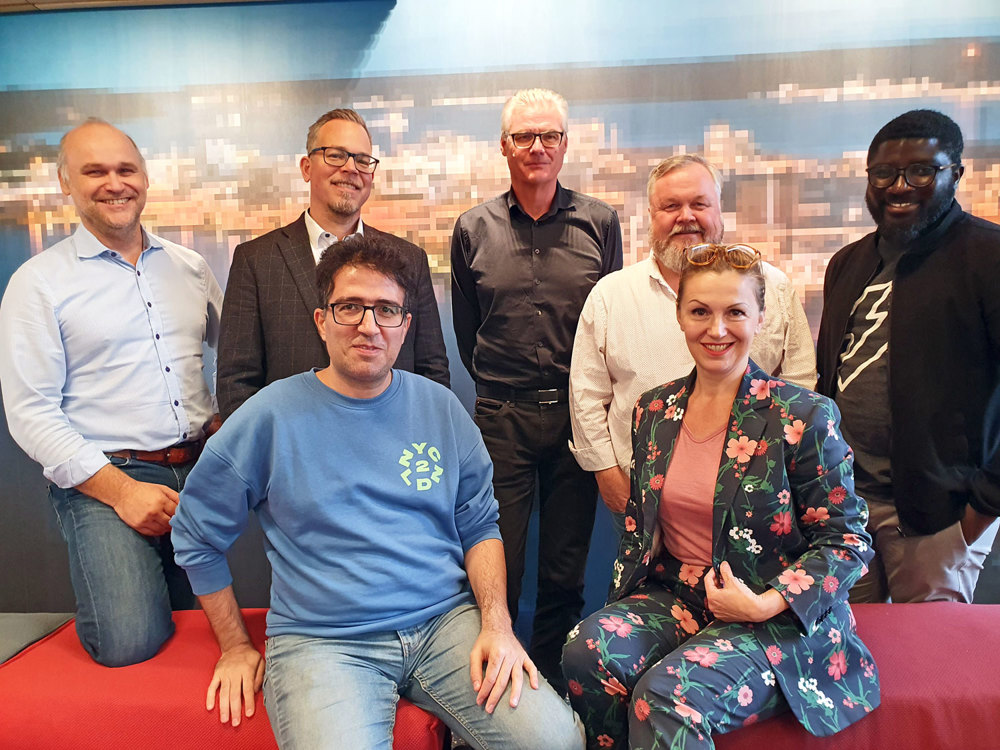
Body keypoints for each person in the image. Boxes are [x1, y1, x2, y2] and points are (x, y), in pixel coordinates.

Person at [171, 234, 583, 749]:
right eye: (350, 307)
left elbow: (480, 528)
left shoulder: (442, 410)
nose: (368, 325)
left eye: (386, 309)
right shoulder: (268, 417)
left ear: (405, 325)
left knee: (554, 740)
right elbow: (195, 535)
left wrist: (497, 625)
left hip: (443, 624)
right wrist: (234, 645)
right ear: (322, 320)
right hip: (324, 641)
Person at [562, 243, 879, 749]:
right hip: (679, 595)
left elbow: (847, 541)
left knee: (664, 696)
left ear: (760, 316)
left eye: (734, 312)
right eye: (700, 312)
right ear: (680, 316)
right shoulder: (654, 411)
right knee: (585, 650)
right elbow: (639, 528)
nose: (717, 329)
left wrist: (764, 604)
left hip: (772, 614)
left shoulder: (802, 415)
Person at [0, 119, 222, 666]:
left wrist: (224, 417)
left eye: (126, 169)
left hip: (199, 472)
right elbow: (31, 413)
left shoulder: (190, 268)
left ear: (145, 178)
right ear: (65, 184)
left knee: (202, 632)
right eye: (93, 171)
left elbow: (241, 355)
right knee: (128, 642)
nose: (113, 183)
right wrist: (124, 493)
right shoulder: (38, 282)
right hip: (108, 476)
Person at [451, 88, 623, 688]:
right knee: (502, 567)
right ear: (504, 146)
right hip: (501, 420)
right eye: (523, 136)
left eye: (548, 135)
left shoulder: (599, 222)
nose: (536, 147)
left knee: (565, 572)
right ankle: (498, 692)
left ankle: (555, 690)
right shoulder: (473, 227)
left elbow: (610, 321)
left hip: (579, 422)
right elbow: (467, 330)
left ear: (565, 145)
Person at [569, 155, 816, 532]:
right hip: (645, 502)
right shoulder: (611, 296)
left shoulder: (772, 287)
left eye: (699, 204)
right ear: (651, 215)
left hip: (756, 500)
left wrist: (786, 471)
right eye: (671, 206)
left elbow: (800, 379)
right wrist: (607, 474)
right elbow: (586, 393)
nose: (686, 216)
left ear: (719, 210)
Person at [817, 109, 1000, 603]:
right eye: (884, 173)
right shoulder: (848, 263)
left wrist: (980, 508)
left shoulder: (988, 257)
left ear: (955, 174)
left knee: (930, 660)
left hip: (937, 517)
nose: (899, 186)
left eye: (921, 170)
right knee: (847, 653)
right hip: (845, 507)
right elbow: (828, 382)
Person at [217, 108, 449, 420]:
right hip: (293, 454)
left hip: (391, 448)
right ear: (306, 167)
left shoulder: (409, 259)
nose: (351, 168)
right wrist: (270, 453)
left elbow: (431, 372)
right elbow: (237, 382)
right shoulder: (257, 261)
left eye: (362, 160)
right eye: (336, 155)